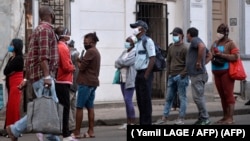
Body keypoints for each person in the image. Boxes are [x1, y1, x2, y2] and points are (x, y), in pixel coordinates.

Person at [6, 6, 61, 141]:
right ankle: (15, 129)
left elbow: (31, 57)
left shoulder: (39, 30)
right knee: (49, 106)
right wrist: (47, 76)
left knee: (44, 107)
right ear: (51, 14)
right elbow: (43, 56)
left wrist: (26, 79)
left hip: (40, 76)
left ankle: (49, 136)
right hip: (43, 77)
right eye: (53, 13)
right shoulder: (44, 30)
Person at [154, 27, 189, 125]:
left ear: (182, 35)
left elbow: (188, 64)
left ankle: (181, 118)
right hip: (172, 76)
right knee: (168, 98)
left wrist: (182, 75)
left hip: (181, 77)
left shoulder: (185, 48)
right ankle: (164, 118)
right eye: (173, 35)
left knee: (182, 98)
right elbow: (168, 61)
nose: (174, 37)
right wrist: (168, 74)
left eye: (176, 35)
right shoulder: (171, 47)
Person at [71, 32, 101, 139]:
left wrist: (77, 60)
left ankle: (77, 132)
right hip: (92, 83)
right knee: (90, 107)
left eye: (86, 42)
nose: (84, 43)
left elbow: (82, 67)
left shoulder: (90, 52)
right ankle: (91, 131)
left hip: (85, 83)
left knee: (79, 107)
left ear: (92, 42)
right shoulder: (96, 52)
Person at [210, 23, 239, 124]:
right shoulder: (215, 43)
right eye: (218, 32)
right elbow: (210, 54)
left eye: (221, 32)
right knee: (222, 95)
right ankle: (225, 117)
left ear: (226, 33)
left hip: (226, 72)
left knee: (228, 94)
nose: (219, 34)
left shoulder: (231, 43)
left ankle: (230, 118)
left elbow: (236, 56)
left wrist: (222, 55)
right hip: (216, 71)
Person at [130, 20, 156, 125]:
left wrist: (146, 75)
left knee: (146, 100)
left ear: (141, 29)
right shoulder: (138, 42)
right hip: (139, 73)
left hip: (145, 73)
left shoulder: (148, 41)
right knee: (140, 101)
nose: (134, 29)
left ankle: (147, 123)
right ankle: (142, 123)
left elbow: (152, 58)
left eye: (136, 27)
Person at [186, 27, 213, 125]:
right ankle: (202, 118)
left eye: (187, 34)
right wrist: (202, 63)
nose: (186, 36)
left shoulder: (195, 40)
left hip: (197, 75)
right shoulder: (198, 40)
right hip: (199, 74)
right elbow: (210, 55)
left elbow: (201, 47)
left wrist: (198, 62)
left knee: (198, 97)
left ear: (189, 34)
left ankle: (205, 118)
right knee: (198, 97)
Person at [54, 26, 75, 140]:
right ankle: (65, 133)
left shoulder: (61, 46)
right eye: (68, 33)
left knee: (62, 107)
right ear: (64, 35)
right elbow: (66, 66)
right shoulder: (62, 47)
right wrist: (73, 67)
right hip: (62, 80)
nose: (69, 35)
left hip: (61, 80)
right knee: (65, 108)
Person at [2, 39, 24, 137]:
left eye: (12, 44)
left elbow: (8, 71)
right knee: (10, 106)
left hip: (16, 83)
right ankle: (9, 128)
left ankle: (14, 129)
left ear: (16, 46)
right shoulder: (11, 58)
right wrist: (11, 72)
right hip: (10, 83)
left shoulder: (19, 58)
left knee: (13, 106)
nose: (10, 46)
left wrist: (10, 72)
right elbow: (6, 71)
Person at [115, 35, 137, 130]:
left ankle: (132, 122)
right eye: (126, 41)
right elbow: (116, 62)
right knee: (126, 101)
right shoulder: (124, 52)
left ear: (133, 43)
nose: (127, 43)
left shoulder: (134, 52)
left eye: (128, 41)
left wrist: (121, 62)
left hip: (129, 79)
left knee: (128, 100)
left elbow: (128, 62)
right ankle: (128, 122)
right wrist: (121, 62)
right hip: (122, 79)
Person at [67, 39, 80, 132]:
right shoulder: (77, 53)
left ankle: (71, 126)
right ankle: (73, 125)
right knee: (72, 106)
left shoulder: (71, 54)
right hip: (75, 83)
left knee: (68, 106)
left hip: (70, 83)